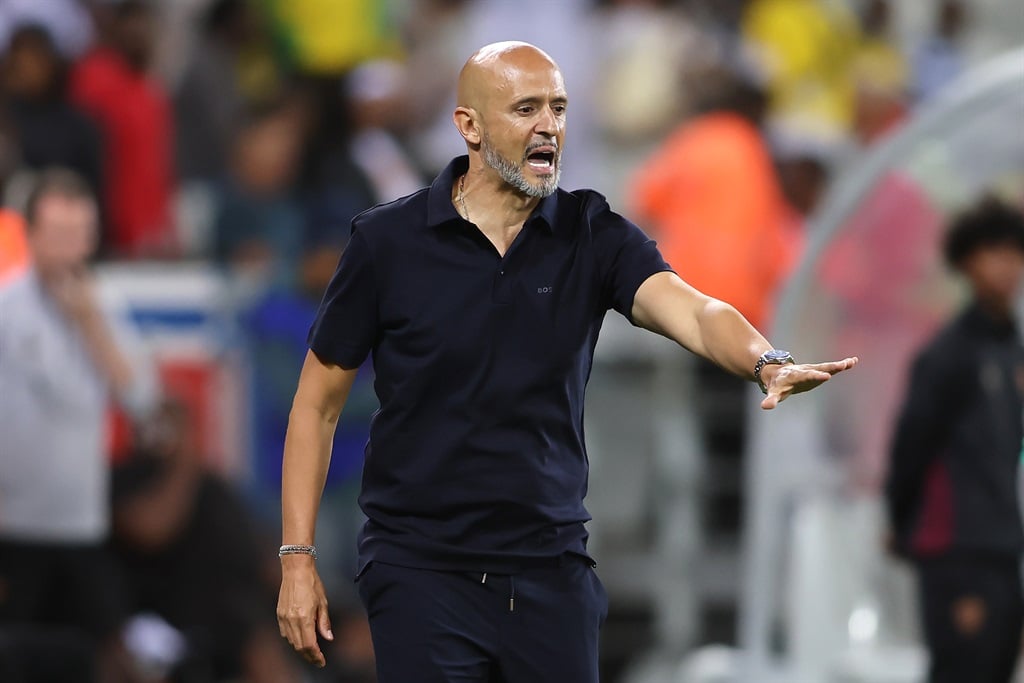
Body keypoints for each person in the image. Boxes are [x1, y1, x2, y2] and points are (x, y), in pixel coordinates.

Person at [276, 41, 858, 681]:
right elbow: (317, 405)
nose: (548, 125)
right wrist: (297, 560)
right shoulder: (387, 243)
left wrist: (765, 359)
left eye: (557, 107)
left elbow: (693, 310)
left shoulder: (591, 232)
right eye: (525, 108)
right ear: (469, 126)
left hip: (551, 569)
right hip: (421, 570)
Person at [0, 168, 158, 682]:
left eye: (79, 234)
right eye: (57, 233)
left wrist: (91, 324)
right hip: (14, 525)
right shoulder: (5, 307)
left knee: (102, 659)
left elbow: (142, 398)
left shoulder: (103, 306)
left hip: (80, 524)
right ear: (31, 233)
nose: (70, 249)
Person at [885, 197, 1024, 683]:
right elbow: (911, 446)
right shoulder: (948, 355)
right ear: (965, 261)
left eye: (1015, 253)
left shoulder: (1012, 349)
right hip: (958, 550)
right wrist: (902, 521)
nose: (1007, 266)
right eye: (993, 252)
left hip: (1006, 549)